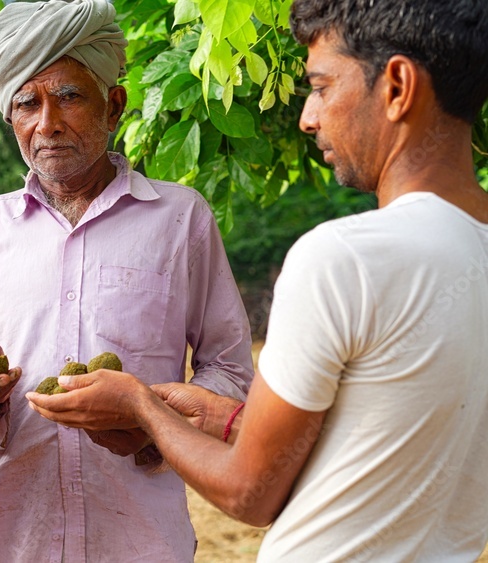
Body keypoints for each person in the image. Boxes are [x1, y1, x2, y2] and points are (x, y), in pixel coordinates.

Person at [28, 0, 488, 560]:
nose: (308, 117)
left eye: (320, 87)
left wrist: (141, 408)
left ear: (396, 86)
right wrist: (228, 420)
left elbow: (250, 492)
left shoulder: (345, 258)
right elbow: (390, 441)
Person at [0, 1, 255, 561]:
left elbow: (229, 370)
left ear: (114, 105)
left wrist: (149, 424)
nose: (47, 122)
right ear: (10, 116)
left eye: (69, 97)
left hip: (140, 540)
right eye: (27, 103)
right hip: (8, 540)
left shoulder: (181, 218)